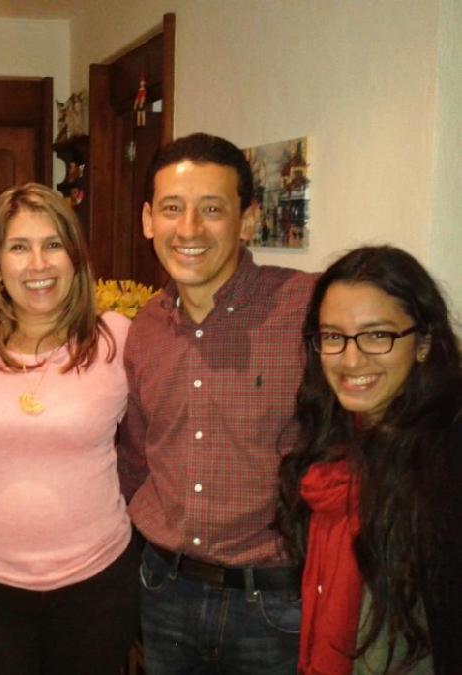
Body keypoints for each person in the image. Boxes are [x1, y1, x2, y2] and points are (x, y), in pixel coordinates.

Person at [118, 132, 317, 674]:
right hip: (165, 591)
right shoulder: (145, 329)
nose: (188, 230)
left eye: (211, 209)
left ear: (247, 221)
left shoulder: (306, 308)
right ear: (148, 220)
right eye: (172, 209)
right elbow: (136, 458)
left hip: (275, 603)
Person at [0, 182, 139, 674]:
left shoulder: (117, 339)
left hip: (96, 584)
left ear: (75, 257)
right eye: (18, 247)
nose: (38, 265)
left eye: (53, 244)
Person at [277, 246, 462, 674]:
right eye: (333, 336)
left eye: (378, 335)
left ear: (423, 343)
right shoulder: (334, 444)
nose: (351, 359)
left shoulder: (445, 464)